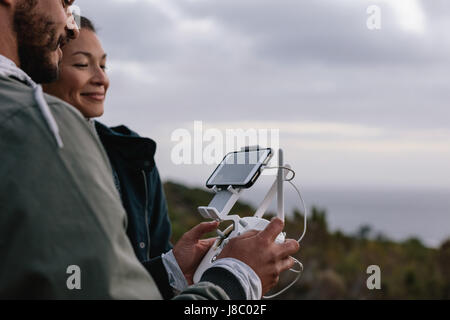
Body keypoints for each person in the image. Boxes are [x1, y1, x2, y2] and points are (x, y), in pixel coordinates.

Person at [0, 0, 300, 300]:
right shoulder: (41, 126)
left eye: (104, 65)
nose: (69, 22)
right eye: (64, 0)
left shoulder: (133, 156)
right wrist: (236, 278)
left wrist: (169, 271)